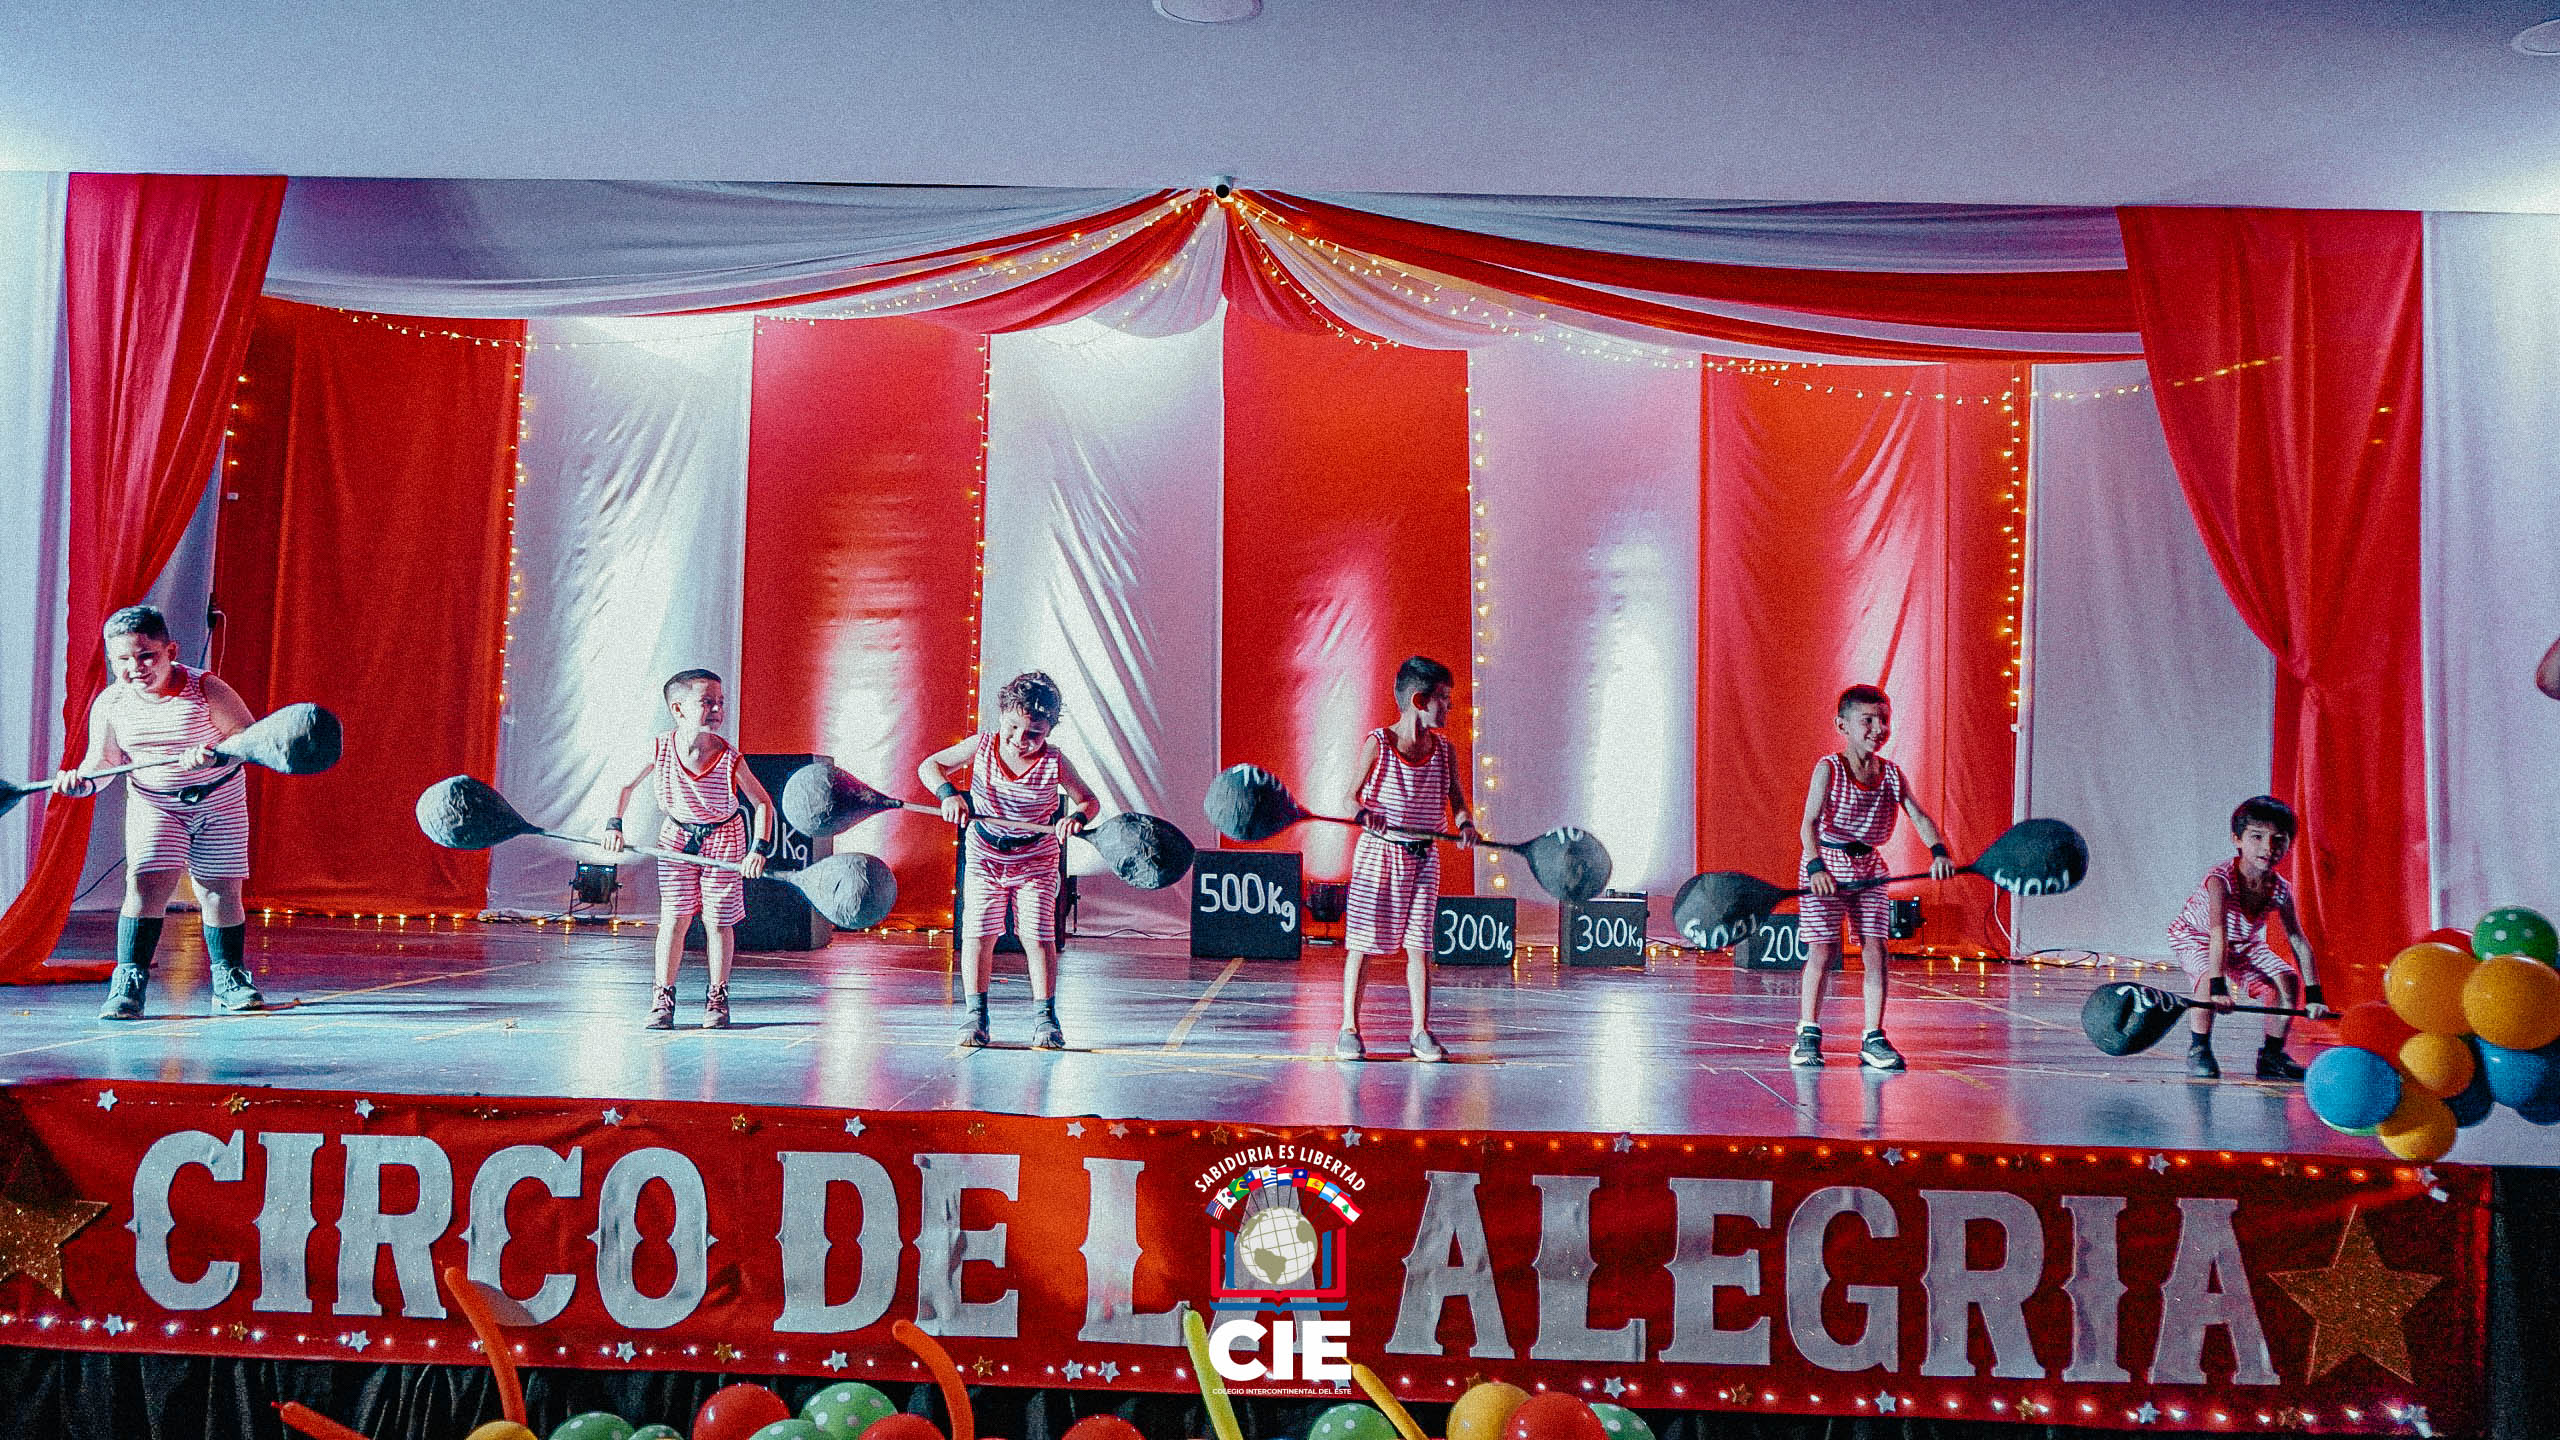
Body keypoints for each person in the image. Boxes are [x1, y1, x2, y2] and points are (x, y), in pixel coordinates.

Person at [51, 605, 265, 1020]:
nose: (137, 668)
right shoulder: (111, 703)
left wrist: (213, 758)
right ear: (112, 661)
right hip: (156, 805)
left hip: (218, 801)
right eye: (124, 660)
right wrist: (82, 781)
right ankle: (128, 983)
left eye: (147, 655)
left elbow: (249, 740)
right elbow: (104, 762)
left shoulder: (207, 688)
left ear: (171, 650)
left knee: (219, 891)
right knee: (147, 885)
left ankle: (230, 978)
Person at [918, 671, 1098, 1050]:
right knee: (979, 935)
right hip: (985, 855)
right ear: (1002, 716)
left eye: (1033, 733)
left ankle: (1045, 1018)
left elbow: (1088, 801)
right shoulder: (982, 745)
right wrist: (949, 795)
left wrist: (1075, 819)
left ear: (1049, 729)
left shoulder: (1054, 761)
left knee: (1037, 936)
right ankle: (976, 1016)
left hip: (1036, 860)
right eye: (1013, 727)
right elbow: (928, 766)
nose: (1020, 740)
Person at [1791, 684, 1955, 1071]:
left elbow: (1918, 815)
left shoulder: (1892, 775)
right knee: (1823, 949)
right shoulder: (1828, 769)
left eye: (1884, 720)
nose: (1877, 728)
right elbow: (1808, 824)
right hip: (1827, 864)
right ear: (1842, 725)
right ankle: (1808, 1033)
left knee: (1876, 952)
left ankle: (1873, 1038)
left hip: (1869, 869)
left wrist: (1939, 852)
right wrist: (1815, 866)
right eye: (1867, 720)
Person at [605, 669, 771, 1030]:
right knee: (675, 919)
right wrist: (614, 826)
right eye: (707, 702)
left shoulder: (729, 757)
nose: (716, 709)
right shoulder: (660, 748)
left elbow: (762, 804)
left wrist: (758, 849)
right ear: (678, 710)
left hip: (723, 840)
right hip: (677, 839)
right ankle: (662, 998)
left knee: (717, 922)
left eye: (720, 703)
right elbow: (624, 786)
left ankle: (717, 997)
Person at [1336, 655, 1475, 1062]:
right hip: (1379, 857)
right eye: (1443, 699)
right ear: (1419, 700)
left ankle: (1420, 1031)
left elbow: (1458, 804)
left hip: (1423, 860)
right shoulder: (1379, 743)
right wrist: (1364, 814)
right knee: (1361, 943)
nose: (1449, 707)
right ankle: (1348, 1027)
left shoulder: (1444, 751)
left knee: (1420, 944)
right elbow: (1349, 798)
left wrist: (1466, 826)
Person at [2167, 795, 2331, 1079]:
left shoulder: (2280, 889)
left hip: (2242, 943)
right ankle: (2199, 1048)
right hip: (2198, 937)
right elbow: (2218, 933)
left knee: (2288, 980)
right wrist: (2219, 988)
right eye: (2257, 837)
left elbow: (2298, 942)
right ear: (2237, 839)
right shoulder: (2221, 880)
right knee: (2206, 983)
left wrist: (2315, 996)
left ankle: (2272, 1055)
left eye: (2278, 840)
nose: (2268, 848)